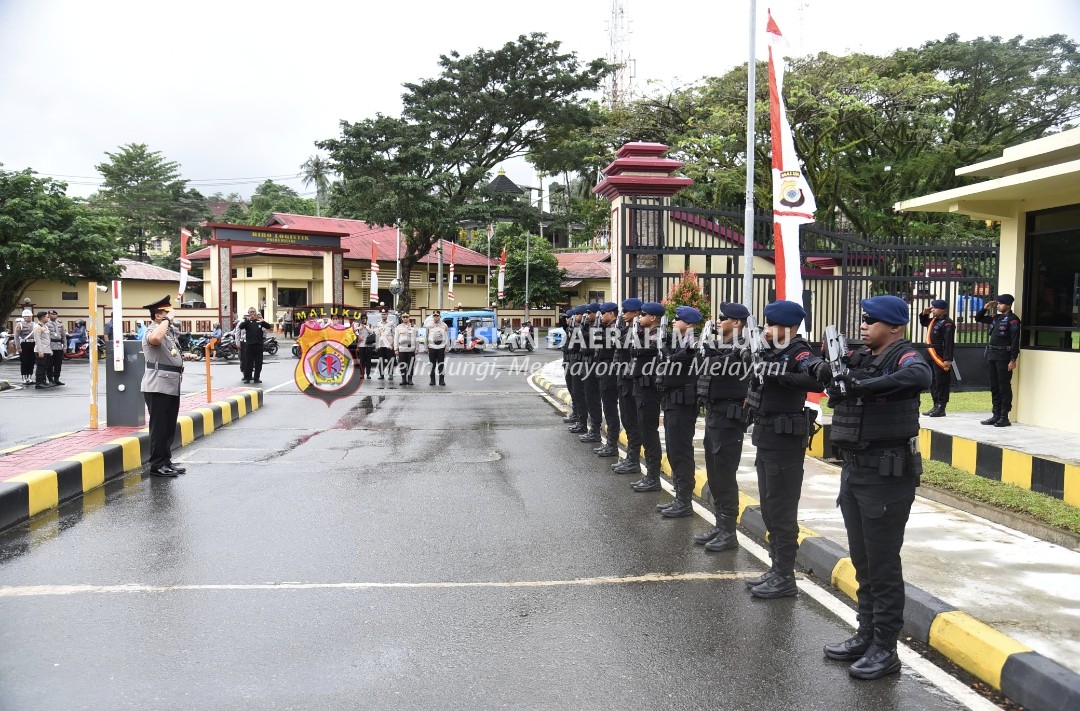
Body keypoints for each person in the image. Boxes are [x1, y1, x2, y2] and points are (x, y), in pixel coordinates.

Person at [818, 295, 931, 680]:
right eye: (863, 319)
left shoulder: (903, 356)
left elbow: (921, 376)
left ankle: (886, 647)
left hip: (887, 476)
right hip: (854, 472)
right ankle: (865, 634)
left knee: (882, 563)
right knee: (863, 561)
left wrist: (862, 387)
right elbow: (827, 376)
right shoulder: (861, 357)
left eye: (871, 320)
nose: (863, 325)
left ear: (894, 327)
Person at [744, 300, 825, 599]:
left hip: (785, 442)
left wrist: (777, 375)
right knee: (768, 507)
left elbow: (816, 375)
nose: (766, 329)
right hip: (766, 438)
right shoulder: (769, 350)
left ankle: (785, 578)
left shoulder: (798, 351)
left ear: (788, 328)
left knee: (781, 509)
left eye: (770, 325)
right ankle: (777, 569)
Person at [695, 302, 751, 551]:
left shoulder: (745, 346)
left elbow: (722, 365)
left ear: (736, 323)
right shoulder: (720, 344)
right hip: (714, 415)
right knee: (715, 474)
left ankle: (729, 532)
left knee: (725, 475)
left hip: (729, 419)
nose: (718, 321)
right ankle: (720, 525)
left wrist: (708, 355)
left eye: (723, 317)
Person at [655, 306, 704, 518]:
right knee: (674, 451)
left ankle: (685, 501)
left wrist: (668, 356)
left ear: (690, 324)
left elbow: (680, 362)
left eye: (678, 319)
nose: (674, 321)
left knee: (681, 452)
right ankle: (680, 498)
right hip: (671, 403)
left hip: (683, 405)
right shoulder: (676, 342)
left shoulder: (695, 345)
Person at [140, 296, 186, 477]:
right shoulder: (152, 331)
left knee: (168, 426)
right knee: (159, 427)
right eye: (166, 313)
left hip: (170, 383)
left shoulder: (168, 333)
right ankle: (157, 464)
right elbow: (156, 339)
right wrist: (168, 319)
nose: (170, 316)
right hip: (157, 385)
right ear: (158, 316)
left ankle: (166, 460)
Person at [629, 301, 666, 493]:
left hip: (649, 391)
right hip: (641, 389)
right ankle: (650, 476)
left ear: (652, 318)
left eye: (643, 314)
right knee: (645, 432)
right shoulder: (646, 334)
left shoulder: (657, 336)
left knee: (649, 434)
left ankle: (653, 477)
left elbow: (640, 351)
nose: (639, 317)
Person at [975, 294, 1021, 427]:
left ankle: (1004, 416)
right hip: (992, 355)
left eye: (1001, 303)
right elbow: (979, 318)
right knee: (994, 386)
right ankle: (995, 414)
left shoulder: (1013, 320)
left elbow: (1015, 341)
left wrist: (1013, 359)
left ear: (1008, 305)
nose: (998, 305)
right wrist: (985, 308)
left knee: (1003, 386)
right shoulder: (996, 317)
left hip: (1004, 357)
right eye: (998, 303)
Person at [611, 299, 643, 474]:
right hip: (622, 378)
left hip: (630, 381)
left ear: (636, 313)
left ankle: (633, 460)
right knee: (626, 419)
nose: (623, 314)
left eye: (627, 311)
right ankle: (630, 458)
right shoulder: (626, 329)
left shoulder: (636, 331)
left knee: (631, 421)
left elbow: (623, 346)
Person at [592, 303, 622, 458]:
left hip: (609, 371)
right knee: (608, 409)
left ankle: (612, 445)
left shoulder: (614, 329)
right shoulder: (607, 328)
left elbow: (603, 344)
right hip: (604, 369)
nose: (601, 316)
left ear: (611, 314)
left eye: (603, 313)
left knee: (610, 410)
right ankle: (610, 444)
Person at [918, 299, 955, 417]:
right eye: (932, 307)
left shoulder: (947, 323)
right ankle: (935, 405)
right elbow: (923, 322)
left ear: (943, 309)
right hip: (929, 353)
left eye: (935, 308)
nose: (932, 309)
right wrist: (924, 313)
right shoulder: (933, 320)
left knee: (941, 381)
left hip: (939, 354)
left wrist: (947, 358)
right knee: (932, 380)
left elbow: (949, 342)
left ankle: (941, 407)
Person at [577, 303, 604, 444]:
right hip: (587, 364)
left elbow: (592, 344)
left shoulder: (598, 327)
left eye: (590, 313)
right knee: (588, 397)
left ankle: (595, 430)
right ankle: (592, 428)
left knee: (593, 399)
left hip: (593, 365)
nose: (587, 316)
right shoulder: (590, 326)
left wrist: (584, 332)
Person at [237, 308, 272, 384]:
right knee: (248, 362)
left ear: (256, 313)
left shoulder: (259, 322)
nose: (252, 313)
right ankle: (247, 377)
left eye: (253, 312)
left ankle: (257, 378)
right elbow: (241, 327)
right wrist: (248, 320)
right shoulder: (247, 322)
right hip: (249, 345)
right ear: (248, 313)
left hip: (259, 345)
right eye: (250, 312)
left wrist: (262, 321)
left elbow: (268, 326)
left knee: (258, 363)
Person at [31, 311, 53, 389]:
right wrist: (40, 351)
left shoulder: (45, 326)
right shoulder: (38, 327)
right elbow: (38, 340)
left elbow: (47, 340)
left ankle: (43, 381)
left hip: (46, 350)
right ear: (42, 318)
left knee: (45, 367)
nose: (48, 318)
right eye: (47, 317)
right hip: (41, 350)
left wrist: (50, 351)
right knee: (40, 367)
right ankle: (39, 382)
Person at [395, 313, 418, 385]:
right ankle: (403, 379)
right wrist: (396, 349)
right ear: (402, 318)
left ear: (409, 318)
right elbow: (396, 338)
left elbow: (417, 338)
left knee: (411, 365)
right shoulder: (398, 327)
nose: (405, 318)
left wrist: (417, 348)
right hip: (402, 349)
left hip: (411, 349)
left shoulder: (413, 327)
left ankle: (410, 379)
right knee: (402, 365)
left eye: (406, 317)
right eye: (404, 317)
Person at [427, 310, 449, 386]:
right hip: (432, 348)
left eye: (437, 316)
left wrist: (447, 347)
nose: (436, 317)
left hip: (441, 348)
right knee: (432, 365)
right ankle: (432, 380)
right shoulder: (429, 325)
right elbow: (426, 336)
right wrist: (426, 347)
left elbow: (447, 337)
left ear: (440, 316)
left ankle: (441, 380)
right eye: (434, 316)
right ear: (433, 316)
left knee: (441, 365)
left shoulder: (444, 325)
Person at [15, 309, 36, 386]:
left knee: (32, 361)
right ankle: (24, 377)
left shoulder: (34, 324)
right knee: (24, 361)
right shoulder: (19, 325)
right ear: (23, 317)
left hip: (33, 344)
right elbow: (16, 336)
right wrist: (18, 347)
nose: (28, 318)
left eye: (29, 316)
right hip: (24, 344)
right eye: (26, 316)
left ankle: (29, 377)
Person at [374, 309, 396, 380]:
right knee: (381, 360)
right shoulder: (378, 323)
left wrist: (393, 344)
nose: (383, 316)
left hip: (389, 345)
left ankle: (390, 375)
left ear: (387, 315)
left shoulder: (391, 323)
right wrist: (377, 345)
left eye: (384, 314)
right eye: (382, 314)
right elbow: (377, 335)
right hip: (381, 345)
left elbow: (394, 334)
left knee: (390, 360)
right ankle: (381, 375)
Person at [46, 310, 66, 385]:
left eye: (55, 314)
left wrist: (64, 346)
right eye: (52, 314)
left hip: (59, 346)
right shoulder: (46, 324)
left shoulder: (59, 324)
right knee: (50, 364)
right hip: (50, 345)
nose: (53, 316)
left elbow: (63, 336)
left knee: (58, 364)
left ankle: (56, 379)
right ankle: (50, 379)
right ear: (48, 315)